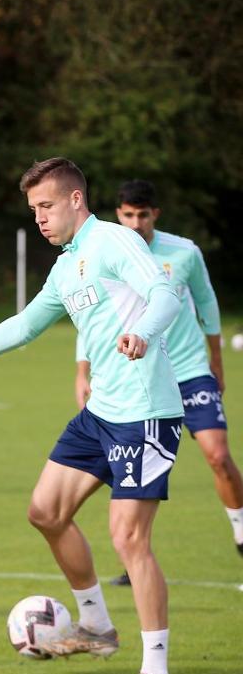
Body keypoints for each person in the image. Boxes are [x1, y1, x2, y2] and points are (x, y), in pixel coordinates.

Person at [0, 157, 184, 674]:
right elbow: (25, 326)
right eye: (33, 209)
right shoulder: (68, 265)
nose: (39, 218)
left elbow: (165, 292)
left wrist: (144, 335)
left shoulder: (113, 242)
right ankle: (96, 626)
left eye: (46, 206)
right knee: (46, 512)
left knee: (129, 538)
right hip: (102, 413)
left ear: (76, 200)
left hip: (145, 412)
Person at [73, 180, 243, 585]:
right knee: (135, 473)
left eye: (143, 215)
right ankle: (137, 562)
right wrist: (82, 371)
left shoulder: (184, 252)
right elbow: (92, 314)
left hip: (188, 370)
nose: (135, 223)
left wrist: (216, 360)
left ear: (156, 215)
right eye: (128, 215)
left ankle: (240, 530)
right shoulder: (108, 253)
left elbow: (206, 302)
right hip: (139, 379)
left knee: (218, 456)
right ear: (118, 214)